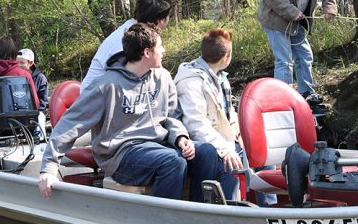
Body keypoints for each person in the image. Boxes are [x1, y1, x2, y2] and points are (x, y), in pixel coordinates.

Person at [38, 23, 233, 201]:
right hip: (121, 154)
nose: (164, 51)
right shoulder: (105, 86)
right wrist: (48, 167)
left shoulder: (163, 77)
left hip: (159, 145)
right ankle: (165, 221)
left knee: (207, 151)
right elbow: (70, 124)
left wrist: (181, 138)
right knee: (173, 162)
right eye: (160, 47)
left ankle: (200, 211)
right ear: (147, 52)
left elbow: (171, 117)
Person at [173, 28, 242, 199]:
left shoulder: (220, 78)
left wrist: (241, 135)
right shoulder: (191, 81)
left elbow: (229, 114)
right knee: (229, 164)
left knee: (261, 157)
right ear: (226, 57)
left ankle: (265, 210)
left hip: (222, 139)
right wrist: (226, 149)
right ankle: (228, 214)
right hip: (196, 144)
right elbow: (196, 125)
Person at [82, 0, 176, 90]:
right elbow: (125, 81)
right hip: (97, 97)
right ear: (161, 20)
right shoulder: (129, 39)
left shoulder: (142, 32)